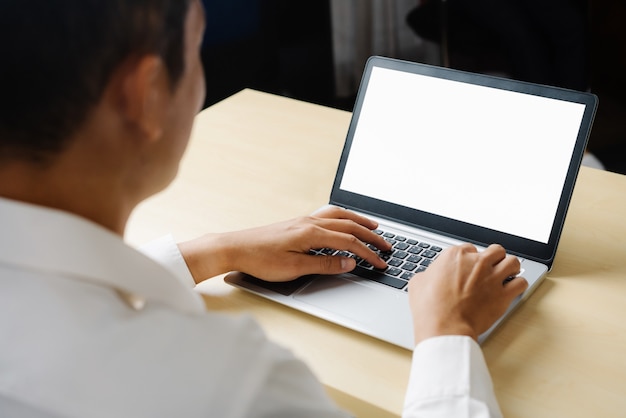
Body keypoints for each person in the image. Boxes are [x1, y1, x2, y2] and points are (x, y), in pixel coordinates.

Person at [0, 1, 528, 417]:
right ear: (148, 96)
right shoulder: (231, 385)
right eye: (197, 46)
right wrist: (447, 330)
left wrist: (217, 250)